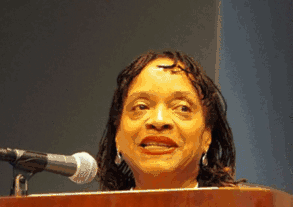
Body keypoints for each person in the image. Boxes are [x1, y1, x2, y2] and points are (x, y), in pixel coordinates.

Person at [96, 51, 241, 190]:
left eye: (182, 108)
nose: (159, 120)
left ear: (207, 136)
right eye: (141, 107)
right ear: (117, 134)